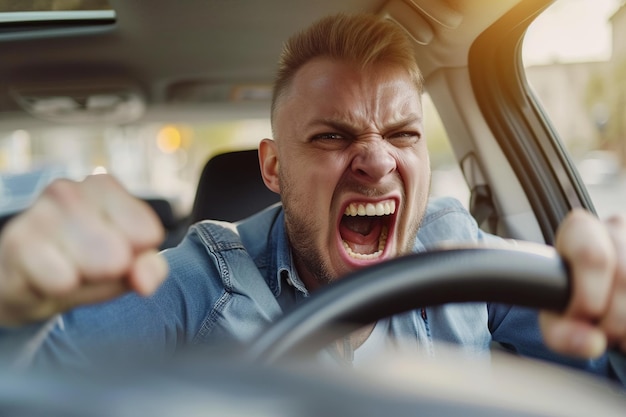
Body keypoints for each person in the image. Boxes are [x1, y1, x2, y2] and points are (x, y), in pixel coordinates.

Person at [0, 13, 624, 383]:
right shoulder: (197, 284)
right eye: (332, 135)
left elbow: (600, 368)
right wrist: (13, 310)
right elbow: (36, 379)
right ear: (273, 167)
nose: (378, 160)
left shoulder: (453, 243)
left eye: (403, 134)